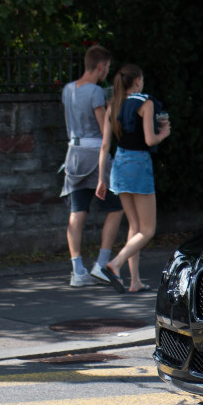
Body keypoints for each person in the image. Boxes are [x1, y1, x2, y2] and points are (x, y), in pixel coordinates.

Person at [95, 64, 171, 293]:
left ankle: (134, 281)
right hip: (139, 164)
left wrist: (101, 179)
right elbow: (149, 140)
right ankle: (114, 264)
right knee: (148, 230)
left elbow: (105, 145)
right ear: (137, 80)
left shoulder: (114, 105)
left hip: (119, 163)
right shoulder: (145, 103)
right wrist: (164, 134)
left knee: (134, 225)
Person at [61, 45, 124, 288]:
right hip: (95, 155)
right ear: (100, 66)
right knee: (115, 208)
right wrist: (111, 111)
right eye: (106, 67)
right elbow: (103, 128)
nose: (106, 71)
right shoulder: (96, 92)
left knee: (77, 212)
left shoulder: (68, 90)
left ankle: (77, 269)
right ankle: (101, 264)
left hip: (73, 155)